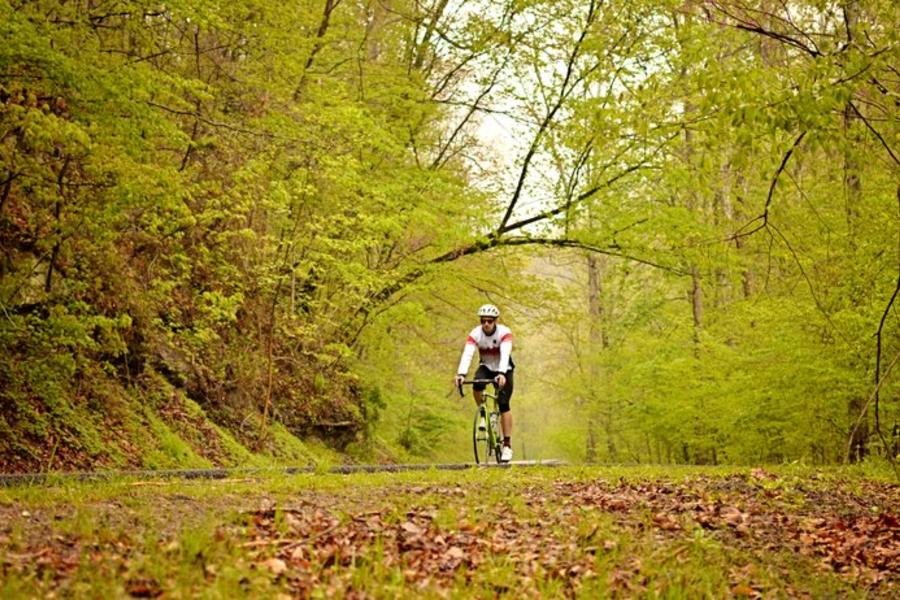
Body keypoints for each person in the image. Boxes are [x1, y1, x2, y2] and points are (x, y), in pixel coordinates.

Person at [454, 304, 515, 462]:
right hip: (486, 367)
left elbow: (505, 353)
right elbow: (468, 354)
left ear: (495, 321)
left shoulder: (504, 332)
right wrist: (461, 374)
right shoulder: (475, 334)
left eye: (489, 321)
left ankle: (507, 445)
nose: (486, 324)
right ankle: (482, 411)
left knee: (504, 404)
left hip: (504, 368)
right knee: (477, 383)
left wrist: (502, 373)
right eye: (483, 321)